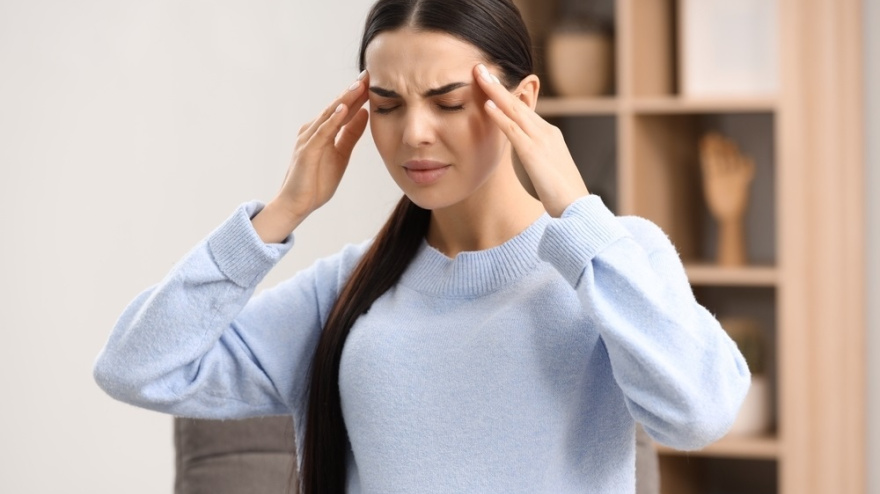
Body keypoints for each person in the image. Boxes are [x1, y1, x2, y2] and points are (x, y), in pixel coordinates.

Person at [93, 0, 750, 493]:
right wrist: (280, 213)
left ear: (521, 103)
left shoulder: (609, 260)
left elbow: (699, 414)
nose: (414, 135)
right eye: (387, 104)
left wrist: (575, 215)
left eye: (448, 102)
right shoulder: (344, 291)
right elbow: (136, 366)